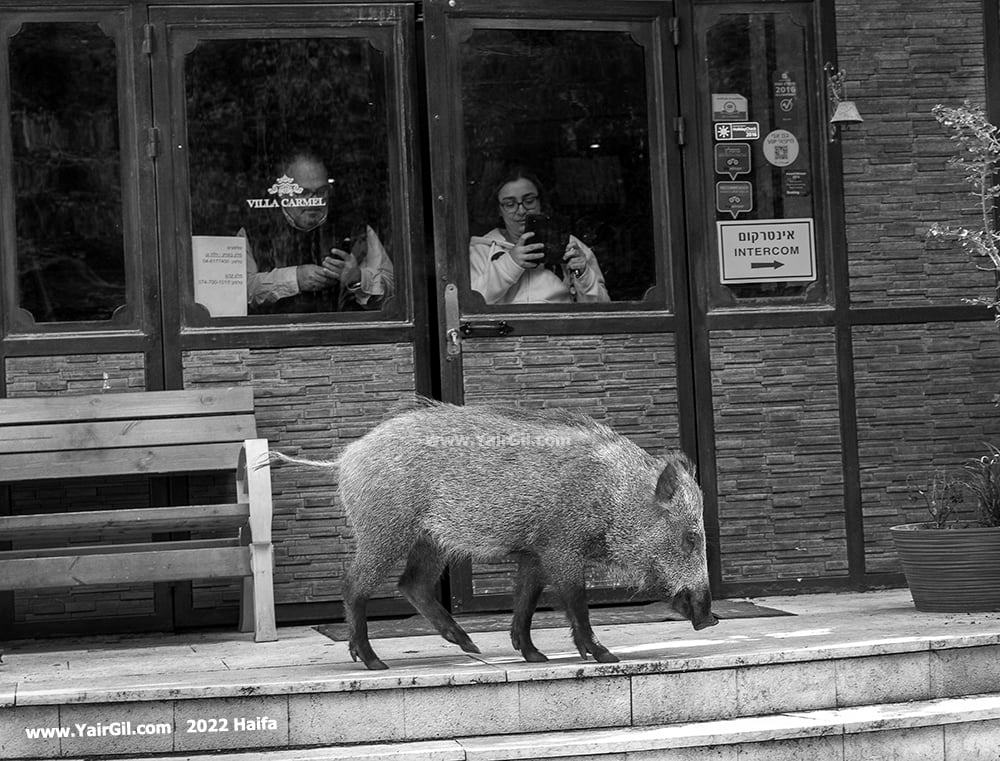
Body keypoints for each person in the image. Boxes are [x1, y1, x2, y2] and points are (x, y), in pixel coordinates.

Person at [241, 151, 394, 314]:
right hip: (273, 335)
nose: (313, 200)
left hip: (344, 333)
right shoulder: (254, 230)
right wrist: (295, 279)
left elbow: (394, 290)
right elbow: (238, 292)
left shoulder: (356, 229)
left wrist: (358, 279)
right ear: (282, 193)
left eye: (321, 192)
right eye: (303, 192)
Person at [469, 167, 609, 304]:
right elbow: (470, 305)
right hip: (506, 327)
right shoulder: (482, 250)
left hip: (559, 326)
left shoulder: (569, 245)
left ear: (540, 201)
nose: (522, 210)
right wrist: (511, 263)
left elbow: (602, 311)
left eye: (529, 201)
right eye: (510, 204)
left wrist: (584, 274)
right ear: (499, 209)